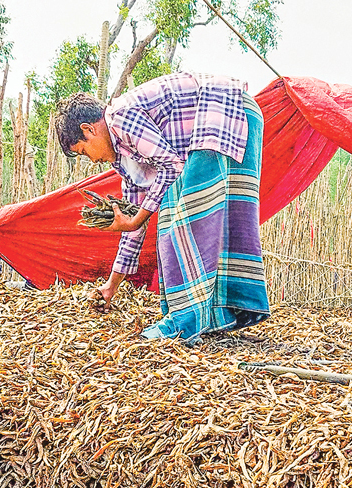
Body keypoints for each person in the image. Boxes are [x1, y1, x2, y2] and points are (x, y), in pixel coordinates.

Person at [53, 72, 270, 342]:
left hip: (224, 109)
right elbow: (134, 224)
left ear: (89, 130)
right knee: (226, 216)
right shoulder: (124, 161)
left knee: (176, 218)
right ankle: (224, 312)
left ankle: (183, 322)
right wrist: (111, 286)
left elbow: (171, 167)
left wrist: (136, 219)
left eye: (85, 151)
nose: (92, 160)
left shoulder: (120, 117)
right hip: (241, 114)